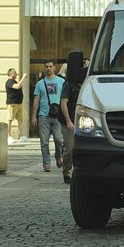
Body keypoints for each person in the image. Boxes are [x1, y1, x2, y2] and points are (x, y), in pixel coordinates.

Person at [31, 60, 66, 173]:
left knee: (58, 140)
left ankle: (58, 156)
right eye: (46, 66)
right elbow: (36, 101)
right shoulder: (40, 84)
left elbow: (65, 100)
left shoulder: (61, 82)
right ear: (44, 68)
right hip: (43, 116)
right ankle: (46, 164)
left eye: (51, 66)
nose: (48, 68)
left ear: (55, 68)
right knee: (44, 142)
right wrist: (34, 117)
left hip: (57, 116)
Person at [59, 51, 86, 185]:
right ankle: (66, 172)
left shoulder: (86, 84)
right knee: (69, 148)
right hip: (68, 122)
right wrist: (69, 121)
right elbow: (63, 103)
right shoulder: (68, 84)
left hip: (82, 121)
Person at [4, 68, 27, 144]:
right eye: (14, 73)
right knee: (10, 120)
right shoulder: (9, 82)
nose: (16, 74)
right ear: (10, 74)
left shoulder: (14, 81)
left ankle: (22, 136)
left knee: (20, 120)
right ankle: (8, 136)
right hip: (12, 103)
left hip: (19, 103)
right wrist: (23, 78)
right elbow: (17, 86)